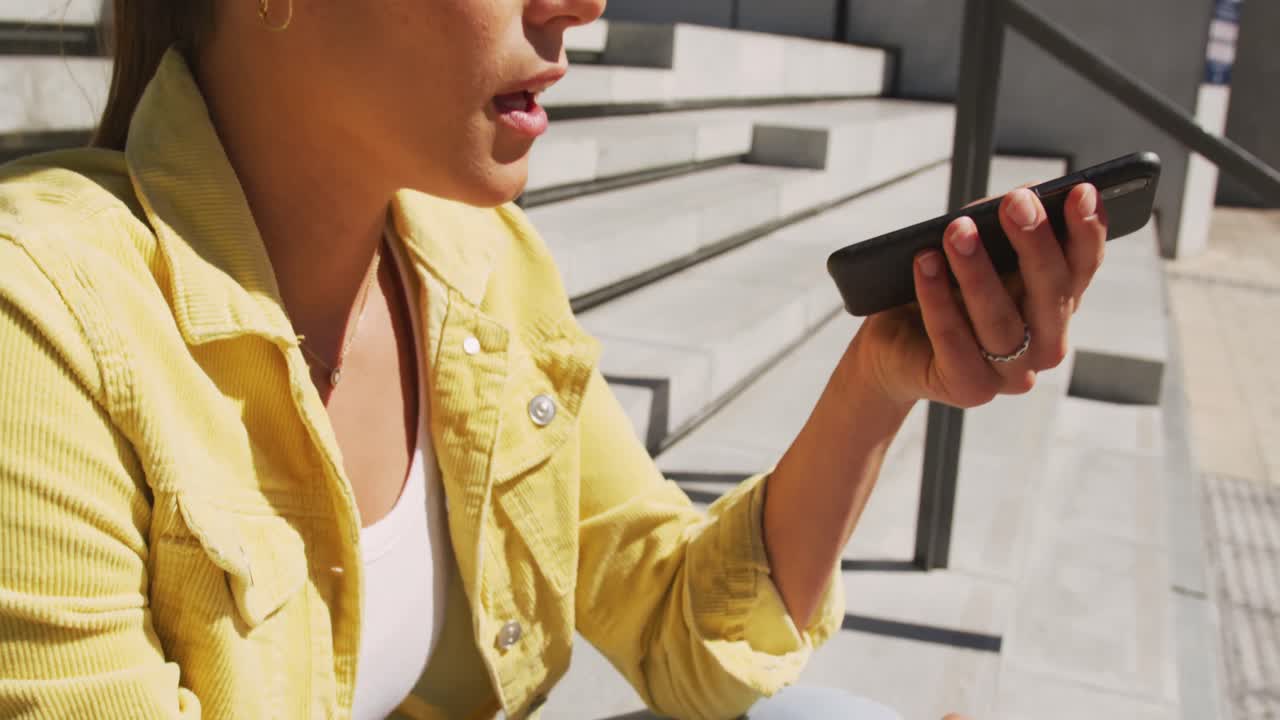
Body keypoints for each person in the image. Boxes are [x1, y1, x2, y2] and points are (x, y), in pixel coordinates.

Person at [0, 0, 1107, 718]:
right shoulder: (43, 322)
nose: (581, 4)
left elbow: (674, 623)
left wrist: (877, 381)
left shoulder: (473, 266)